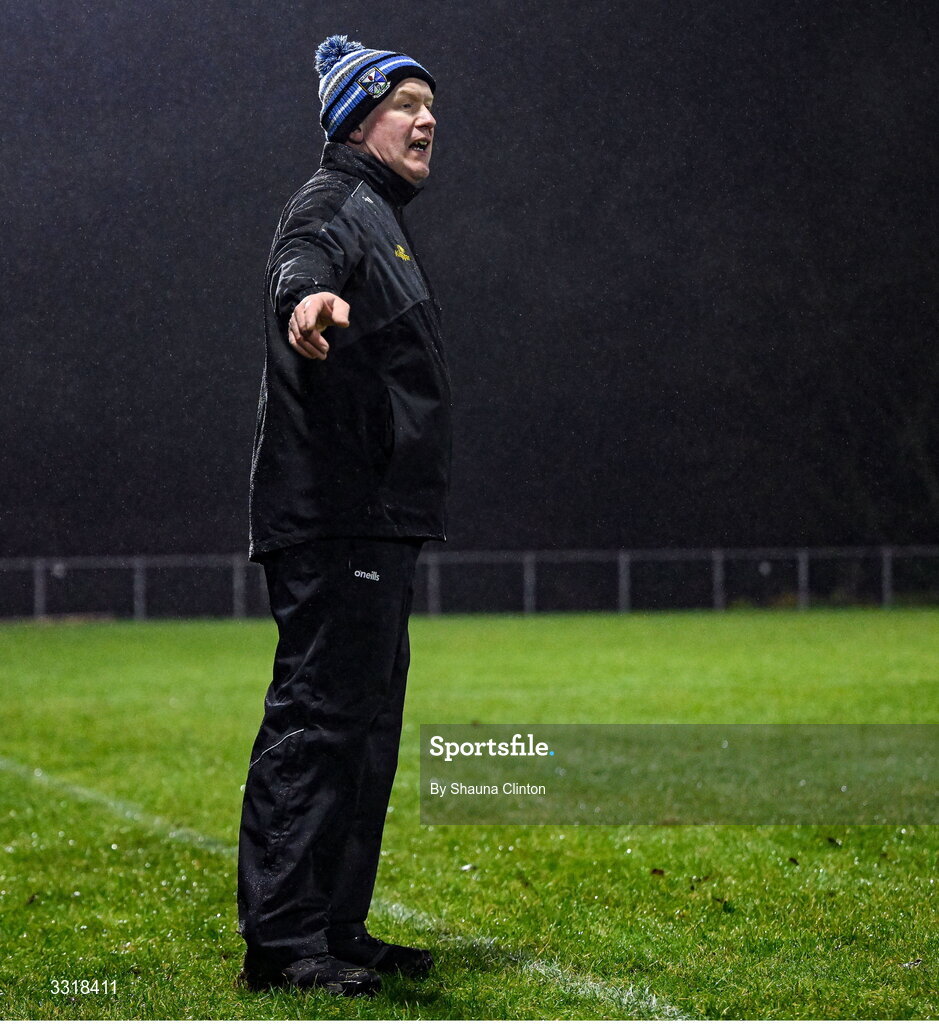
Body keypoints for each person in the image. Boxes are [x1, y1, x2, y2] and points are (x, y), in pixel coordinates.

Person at [237, 34, 451, 997]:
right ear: (355, 119)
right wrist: (305, 301)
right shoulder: (334, 204)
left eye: (429, 103)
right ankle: (283, 943)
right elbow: (298, 260)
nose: (426, 117)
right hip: (333, 514)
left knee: (365, 733)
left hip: (376, 518)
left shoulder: (381, 215)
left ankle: (335, 926)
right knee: (319, 723)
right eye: (404, 101)